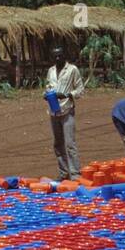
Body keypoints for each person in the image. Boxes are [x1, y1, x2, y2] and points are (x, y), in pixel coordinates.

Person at [45, 45, 85, 180]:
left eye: (60, 56)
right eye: (55, 56)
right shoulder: (51, 71)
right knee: (58, 144)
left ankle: (75, 174)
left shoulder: (72, 70)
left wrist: (68, 94)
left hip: (67, 110)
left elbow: (80, 90)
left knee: (70, 144)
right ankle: (63, 172)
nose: (57, 58)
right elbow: (48, 86)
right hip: (53, 111)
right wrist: (46, 94)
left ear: (64, 56)